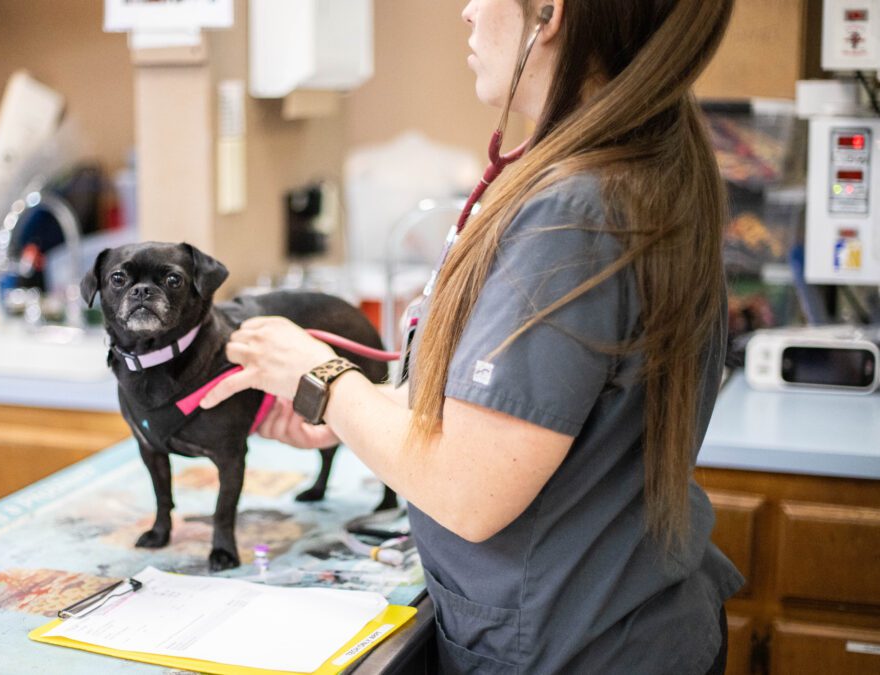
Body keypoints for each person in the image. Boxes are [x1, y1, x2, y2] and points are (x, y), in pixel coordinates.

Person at [201, 0, 744, 672]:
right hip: (626, 621)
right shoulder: (640, 168)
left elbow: (469, 489)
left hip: (578, 648)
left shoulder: (572, 220)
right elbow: (534, 409)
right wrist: (361, 412)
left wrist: (320, 377)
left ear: (551, 15)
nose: (465, 12)